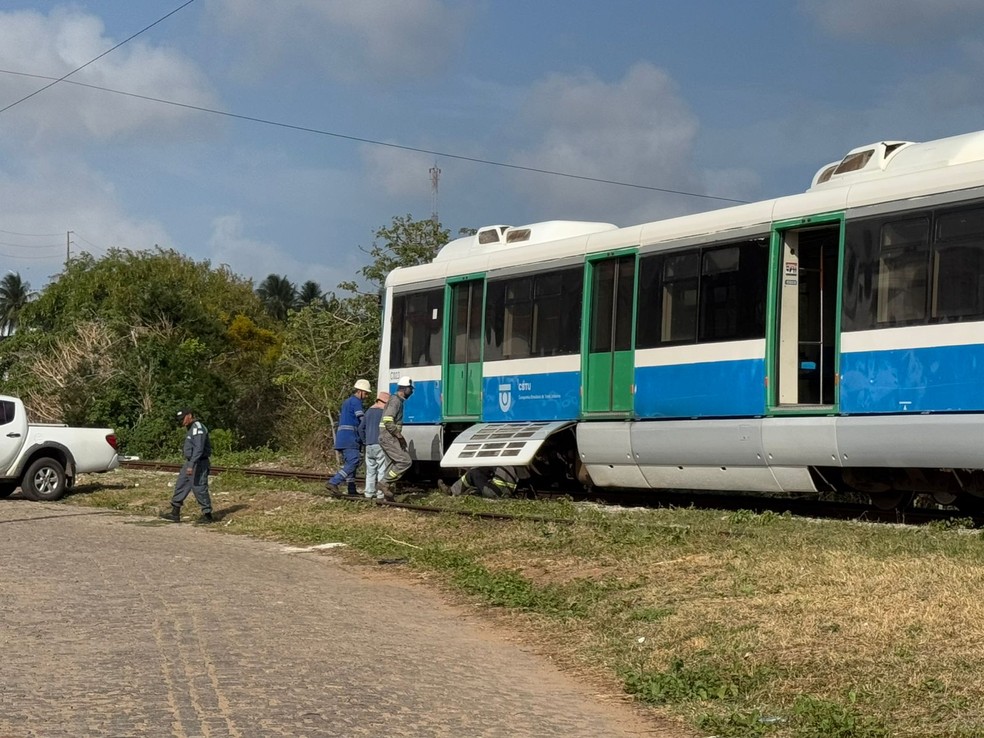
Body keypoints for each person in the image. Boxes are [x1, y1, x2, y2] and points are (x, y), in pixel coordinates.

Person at [161, 408, 213, 523]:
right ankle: (175, 512)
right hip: (190, 462)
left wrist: (192, 464)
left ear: (189, 415)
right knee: (181, 484)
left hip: (198, 462)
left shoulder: (198, 428)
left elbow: (199, 449)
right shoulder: (190, 428)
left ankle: (208, 515)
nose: (182, 422)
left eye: (183, 418)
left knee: (199, 487)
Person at [326, 379, 371, 497]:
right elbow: (362, 419)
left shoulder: (347, 402)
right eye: (366, 393)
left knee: (351, 464)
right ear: (360, 391)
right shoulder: (356, 402)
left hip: (342, 437)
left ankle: (351, 489)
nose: (366, 396)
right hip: (350, 438)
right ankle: (334, 482)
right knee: (354, 461)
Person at [377, 377, 414, 500]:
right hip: (389, 437)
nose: (412, 391)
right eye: (410, 389)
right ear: (404, 389)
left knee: (391, 464)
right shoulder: (396, 401)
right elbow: (388, 420)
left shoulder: (397, 400)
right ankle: (384, 483)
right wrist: (399, 436)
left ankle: (388, 495)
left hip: (387, 437)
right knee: (405, 461)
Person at [358, 390, 390, 500]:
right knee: (381, 470)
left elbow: (360, 428)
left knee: (370, 471)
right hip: (379, 444)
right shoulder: (383, 413)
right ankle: (380, 495)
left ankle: (368, 493)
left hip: (369, 445)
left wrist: (365, 441)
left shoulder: (368, 411)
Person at [439, 466, 528, 498]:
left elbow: (478, 472)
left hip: (495, 493)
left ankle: (452, 491)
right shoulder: (512, 461)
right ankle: (471, 491)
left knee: (473, 472)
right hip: (507, 493)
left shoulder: (491, 461)